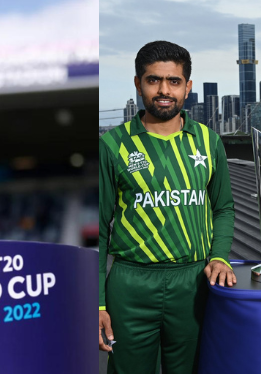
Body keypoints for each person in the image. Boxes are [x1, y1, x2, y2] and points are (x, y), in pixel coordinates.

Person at [98, 40, 236, 374]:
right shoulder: (111, 145)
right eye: (153, 80)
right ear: (138, 83)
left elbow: (224, 208)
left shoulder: (208, 140)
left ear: (187, 87)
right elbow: (97, 229)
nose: (163, 90)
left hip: (192, 282)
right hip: (131, 284)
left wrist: (219, 255)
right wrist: (96, 302)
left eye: (173, 81)